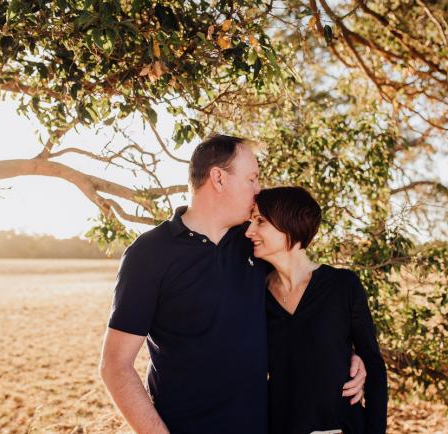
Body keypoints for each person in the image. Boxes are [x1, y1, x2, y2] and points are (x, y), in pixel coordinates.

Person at [99, 135, 367, 434]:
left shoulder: (253, 242)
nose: (258, 189)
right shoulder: (149, 254)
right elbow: (115, 366)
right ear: (218, 178)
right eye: (252, 178)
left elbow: (303, 301)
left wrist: (349, 355)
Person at [245, 186, 388, 434]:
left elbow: (374, 369)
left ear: (289, 224)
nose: (249, 231)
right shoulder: (255, 292)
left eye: (260, 221)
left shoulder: (343, 285)